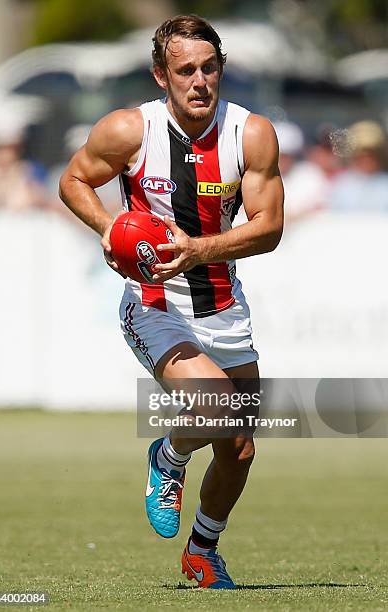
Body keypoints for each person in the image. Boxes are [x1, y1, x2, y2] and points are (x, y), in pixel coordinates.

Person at [59, 14, 284, 589]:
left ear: (222, 70)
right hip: (154, 304)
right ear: (162, 75)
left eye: (210, 68)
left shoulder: (251, 133)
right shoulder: (128, 131)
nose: (200, 80)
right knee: (217, 407)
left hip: (223, 305)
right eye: (185, 69)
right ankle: (169, 456)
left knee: (239, 446)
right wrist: (109, 230)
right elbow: (74, 181)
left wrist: (199, 250)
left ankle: (203, 551)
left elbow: (269, 228)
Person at [329, 120, 388, 213]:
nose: (367, 160)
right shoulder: (342, 184)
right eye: (361, 156)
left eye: (371, 155)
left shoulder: (385, 184)